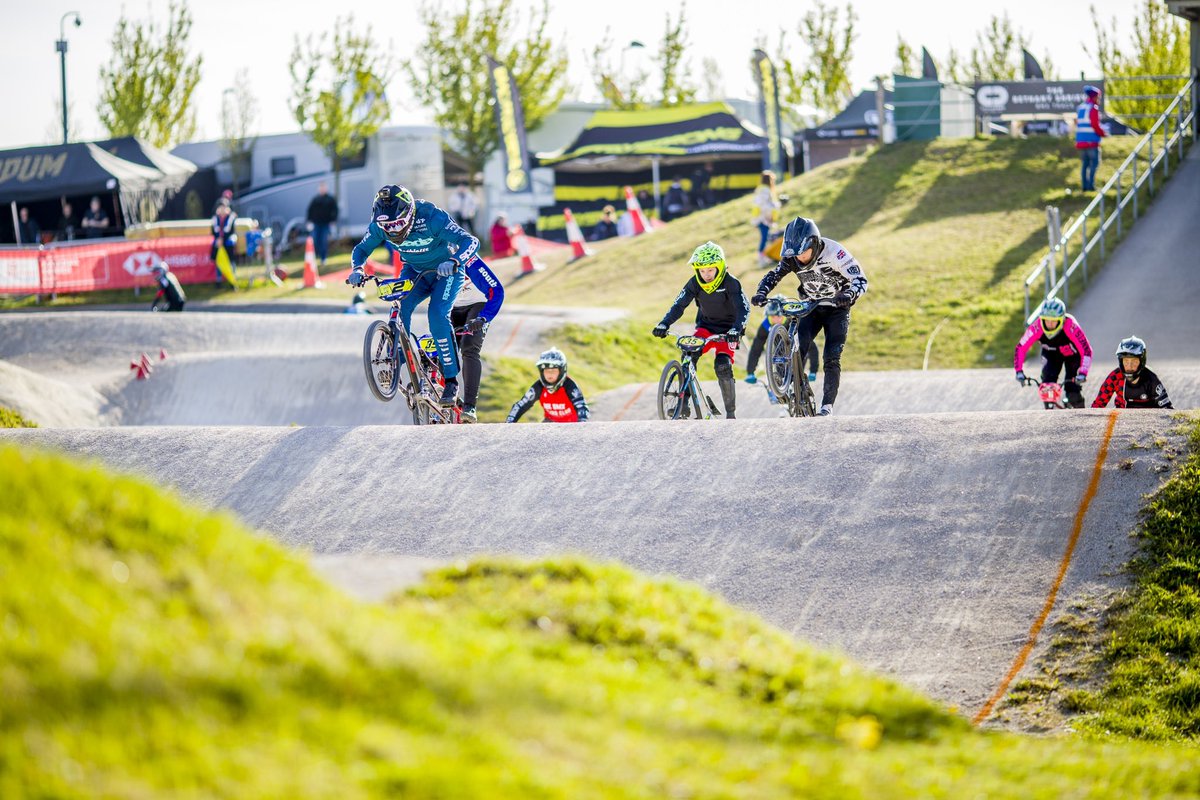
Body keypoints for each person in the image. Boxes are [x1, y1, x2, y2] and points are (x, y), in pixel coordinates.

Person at [347, 184, 485, 407]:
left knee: (437, 316)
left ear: (410, 213)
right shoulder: (379, 226)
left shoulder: (432, 217)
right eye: (387, 227)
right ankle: (397, 358)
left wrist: (454, 261)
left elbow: (471, 242)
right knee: (401, 308)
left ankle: (450, 380)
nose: (392, 231)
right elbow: (361, 250)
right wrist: (357, 269)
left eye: (398, 224)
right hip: (413, 271)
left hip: (445, 272)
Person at [751, 217, 868, 416]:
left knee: (831, 357)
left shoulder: (835, 253)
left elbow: (860, 279)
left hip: (836, 308)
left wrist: (848, 295)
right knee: (798, 344)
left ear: (814, 243)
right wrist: (761, 292)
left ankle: (826, 407)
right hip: (811, 306)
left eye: (804, 253)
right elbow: (774, 275)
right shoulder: (793, 257)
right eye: (796, 255)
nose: (800, 259)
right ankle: (792, 385)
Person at [652, 241, 749, 419]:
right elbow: (679, 305)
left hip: (728, 331)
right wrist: (664, 323)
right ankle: (684, 405)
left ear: (719, 267)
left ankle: (730, 413)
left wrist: (737, 329)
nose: (706, 275)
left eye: (710, 269)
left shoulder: (731, 282)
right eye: (702, 270)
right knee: (688, 356)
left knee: (722, 365)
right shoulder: (694, 283)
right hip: (706, 327)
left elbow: (744, 309)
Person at [449, 251, 505, 423]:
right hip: (450, 306)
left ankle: (470, 406)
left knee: (468, 347)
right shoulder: (432, 257)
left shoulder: (470, 260)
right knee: (439, 346)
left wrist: (483, 318)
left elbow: (497, 291)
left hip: (477, 305)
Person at [1013, 297, 1093, 409]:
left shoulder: (1070, 325)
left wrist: (1083, 372)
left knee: (1073, 392)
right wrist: (1019, 371)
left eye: (1054, 320)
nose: (1049, 324)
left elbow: (1086, 350)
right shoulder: (1037, 327)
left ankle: (1080, 413)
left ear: (1062, 319)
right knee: (1047, 389)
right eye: (1046, 320)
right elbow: (1020, 348)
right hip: (1051, 355)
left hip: (1072, 356)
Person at [744, 295, 818, 385]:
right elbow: (756, 348)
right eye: (772, 317)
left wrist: (813, 371)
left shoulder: (794, 323)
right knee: (780, 377)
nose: (776, 321)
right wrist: (750, 372)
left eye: (779, 317)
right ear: (767, 316)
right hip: (780, 355)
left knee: (797, 377)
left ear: (786, 316)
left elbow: (811, 347)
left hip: (797, 355)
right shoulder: (765, 324)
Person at [506, 348, 590, 423]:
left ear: (562, 371)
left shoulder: (569, 386)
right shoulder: (538, 386)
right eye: (546, 371)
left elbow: (581, 407)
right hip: (550, 423)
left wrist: (581, 426)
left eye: (553, 371)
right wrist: (509, 423)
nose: (550, 375)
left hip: (572, 424)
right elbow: (521, 405)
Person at [1091, 336, 1173, 409]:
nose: (1129, 366)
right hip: (1120, 422)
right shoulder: (1115, 377)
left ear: (1142, 361)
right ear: (1120, 362)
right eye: (1126, 361)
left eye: (1134, 361)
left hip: (1148, 424)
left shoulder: (1152, 379)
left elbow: (1167, 409)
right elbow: (1098, 406)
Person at [1076, 85, 1106, 192]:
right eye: (1098, 97)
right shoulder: (1093, 108)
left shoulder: (1081, 107)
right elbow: (1095, 125)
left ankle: (1084, 186)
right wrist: (1103, 133)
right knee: (1094, 163)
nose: (1099, 100)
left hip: (1081, 141)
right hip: (1091, 142)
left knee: (1085, 164)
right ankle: (1091, 186)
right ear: (1094, 97)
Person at [306, 182, 339, 269]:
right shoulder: (315, 199)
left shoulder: (330, 199)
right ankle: (316, 255)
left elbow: (335, 210)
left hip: (326, 224)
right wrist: (309, 221)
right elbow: (310, 210)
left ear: (326, 189)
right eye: (321, 188)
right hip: (316, 224)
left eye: (323, 188)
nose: (322, 189)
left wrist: (333, 220)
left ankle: (323, 258)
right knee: (315, 240)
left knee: (324, 241)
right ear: (319, 189)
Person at [753, 171, 780, 266]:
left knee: (767, 238)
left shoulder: (761, 190)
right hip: (764, 219)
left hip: (762, 218)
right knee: (765, 238)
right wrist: (769, 217)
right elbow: (764, 206)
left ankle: (766, 256)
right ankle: (761, 260)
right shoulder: (765, 191)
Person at [210, 199, 238, 286]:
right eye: (220, 207)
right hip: (219, 243)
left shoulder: (231, 217)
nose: (222, 209)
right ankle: (218, 281)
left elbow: (228, 230)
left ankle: (232, 281)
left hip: (227, 242)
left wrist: (222, 239)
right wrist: (218, 239)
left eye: (224, 207)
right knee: (219, 261)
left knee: (231, 262)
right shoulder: (215, 218)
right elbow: (214, 230)